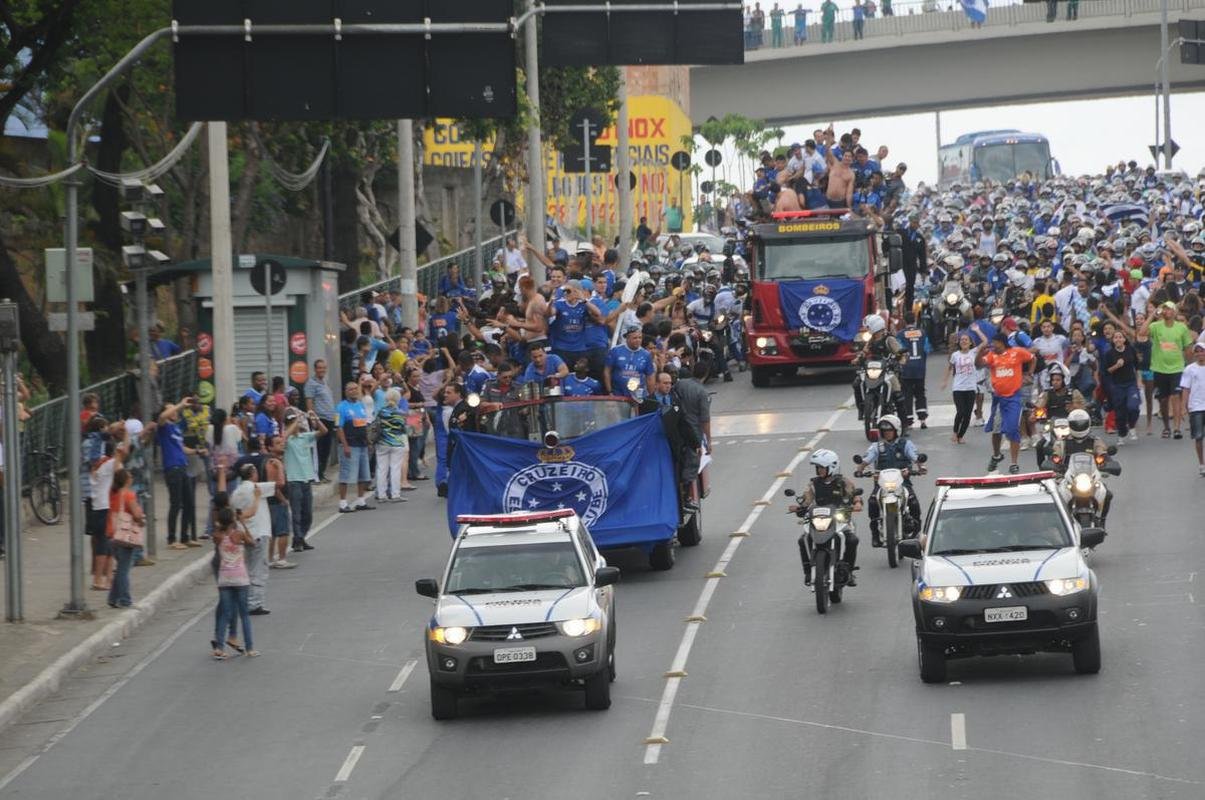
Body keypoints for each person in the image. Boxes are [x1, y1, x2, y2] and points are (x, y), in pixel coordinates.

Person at [789, 449, 862, 587]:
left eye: (822, 467)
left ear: (832, 467)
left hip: (840, 519)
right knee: (803, 539)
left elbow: (854, 495)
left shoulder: (843, 482)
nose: (819, 470)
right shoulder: (813, 484)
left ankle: (849, 571)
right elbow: (807, 499)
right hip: (819, 518)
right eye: (818, 467)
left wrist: (857, 503)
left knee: (852, 540)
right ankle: (808, 572)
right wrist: (799, 507)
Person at [975, 331, 1035, 474]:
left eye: (995, 343)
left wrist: (1029, 373)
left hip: (1014, 398)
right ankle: (997, 455)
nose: (993, 346)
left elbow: (1033, 358)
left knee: (1013, 430)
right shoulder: (992, 355)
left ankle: (1014, 463)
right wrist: (980, 351)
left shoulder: (1017, 352)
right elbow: (978, 364)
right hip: (999, 399)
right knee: (996, 431)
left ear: (1001, 343)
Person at [859, 415, 923, 545]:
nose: (887, 433)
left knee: (914, 503)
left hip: (903, 483)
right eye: (884, 430)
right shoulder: (876, 446)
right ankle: (875, 534)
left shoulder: (906, 444)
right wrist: (860, 469)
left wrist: (921, 467)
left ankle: (916, 531)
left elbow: (915, 457)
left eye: (889, 430)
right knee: (872, 502)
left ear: (896, 430)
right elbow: (866, 459)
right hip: (882, 484)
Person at [1140, 301, 1194, 439]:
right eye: (1164, 309)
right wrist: (1152, 314)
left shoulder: (1181, 328)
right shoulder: (1156, 326)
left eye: (1169, 309)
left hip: (1177, 368)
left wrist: (1190, 366)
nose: (1166, 311)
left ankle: (1176, 428)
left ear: (1174, 312)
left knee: (1175, 397)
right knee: (1163, 400)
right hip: (1159, 368)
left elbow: (1188, 348)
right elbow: (1142, 333)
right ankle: (1166, 427)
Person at [229, 463, 277, 616]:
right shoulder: (256, 488)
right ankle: (254, 603)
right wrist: (278, 467)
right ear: (253, 474)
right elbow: (279, 484)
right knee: (259, 569)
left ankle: (246, 600)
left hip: (245, 534)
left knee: (249, 568)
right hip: (259, 532)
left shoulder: (235, 492)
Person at [158, 399, 206, 549]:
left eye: (175, 410)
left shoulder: (176, 428)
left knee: (189, 503)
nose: (174, 412)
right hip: (172, 468)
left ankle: (185, 537)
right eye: (170, 410)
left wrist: (197, 451)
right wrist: (179, 405)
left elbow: (182, 448)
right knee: (176, 503)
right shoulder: (164, 427)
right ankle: (172, 539)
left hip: (183, 467)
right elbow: (161, 417)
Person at [211, 507, 258, 660]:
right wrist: (242, 522)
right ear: (233, 520)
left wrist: (222, 523)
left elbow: (218, 528)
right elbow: (252, 543)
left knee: (225, 614)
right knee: (244, 614)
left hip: (224, 578)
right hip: (240, 577)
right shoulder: (239, 534)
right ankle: (250, 648)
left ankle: (219, 648)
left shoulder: (217, 536)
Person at [284, 409, 324, 553]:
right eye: (291, 422)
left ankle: (301, 537)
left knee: (307, 513)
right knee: (296, 513)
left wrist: (316, 418)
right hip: (294, 479)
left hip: (306, 478)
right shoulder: (287, 440)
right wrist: (294, 422)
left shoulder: (305, 437)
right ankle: (298, 539)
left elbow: (323, 431)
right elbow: (284, 437)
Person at [106, 467, 142, 609]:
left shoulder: (113, 494)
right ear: (126, 480)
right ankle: (125, 599)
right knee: (123, 570)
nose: (132, 478)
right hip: (125, 537)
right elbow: (137, 515)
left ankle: (113, 598)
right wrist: (141, 518)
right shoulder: (128, 495)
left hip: (112, 534)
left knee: (120, 567)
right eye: (130, 476)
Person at [335, 381, 373, 512]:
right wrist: (345, 445)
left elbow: (364, 425)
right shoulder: (340, 407)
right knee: (345, 474)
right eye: (350, 389)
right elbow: (339, 427)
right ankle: (343, 503)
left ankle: (361, 501)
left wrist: (368, 442)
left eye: (356, 389)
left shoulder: (361, 405)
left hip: (362, 444)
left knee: (363, 474)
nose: (354, 391)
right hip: (350, 444)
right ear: (346, 392)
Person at [1103, 330, 1141, 443]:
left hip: (1131, 383)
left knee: (1133, 407)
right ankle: (1122, 432)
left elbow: (1137, 367)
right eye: (1116, 337)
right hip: (1117, 385)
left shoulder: (1130, 350)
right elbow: (1106, 371)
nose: (1118, 339)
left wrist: (1139, 381)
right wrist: (1116, 366)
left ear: (1124, 339)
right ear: (1113, 340)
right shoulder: (1109, 354)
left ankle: (1132, 425)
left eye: (1120, 337)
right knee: (1120, 412)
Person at [375, 388, 412, 503]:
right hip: (397, 442)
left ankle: (381, 495)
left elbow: (376, 425)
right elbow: (404, 428)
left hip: (382, 442)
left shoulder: (381, 412)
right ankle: (395, 494)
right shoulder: (400, 413)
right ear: (398, 399)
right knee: (395, 468)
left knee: (381, 469)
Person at [305, 358, 337, 482]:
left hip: (329, 419)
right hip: (320, 420)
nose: (322, 370)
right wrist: (313, 419)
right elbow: (309, 402)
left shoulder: (325, 382)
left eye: (324, 368)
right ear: (315, 369)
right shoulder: (311, 383)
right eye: (319, 368)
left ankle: (322, 473)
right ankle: (316, 475)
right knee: (319, 449)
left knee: (326, 448)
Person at [942, 333, 977, 444]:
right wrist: (945, 381)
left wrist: (977, 330)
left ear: (970, 343)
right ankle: (955, 432)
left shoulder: (973, 352)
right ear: (959, 342)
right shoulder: (955, 355)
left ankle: (960, 436)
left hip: (971, 388)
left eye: (966, 340)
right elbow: (949, 368)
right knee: (961, 411)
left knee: (968, 414)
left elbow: (985, 342)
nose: (964, 341)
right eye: (962, 340)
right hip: (958, 388)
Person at [896, 312, 929, 428]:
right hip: (920, 368)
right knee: (920, 393)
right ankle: (923, 419)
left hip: (906, 369)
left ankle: (909, 421)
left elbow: (898, 350)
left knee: (907, 394)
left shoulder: (900, 334)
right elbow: (927, 349)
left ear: (904, 321)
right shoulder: (922, 333)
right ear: (915, 320)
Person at [606, 326, 656, 399]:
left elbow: (650, 377)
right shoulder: (615, 351)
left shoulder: (646, 355)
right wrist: (609, 391)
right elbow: (607, 371)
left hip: (637, 396)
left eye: (640, 338)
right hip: (617, 395)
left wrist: (651, 396)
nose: (638, 340)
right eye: (635, 338)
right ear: (627, 338)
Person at [1180, 342, 1205, 476]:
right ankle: (1201, 464)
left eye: (1202, 351)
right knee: (1198, 436)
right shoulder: (1189, 369)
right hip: (1196, 407)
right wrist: (1184, 407)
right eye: (1197, 351)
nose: (1200, 353)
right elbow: (1186, 389)